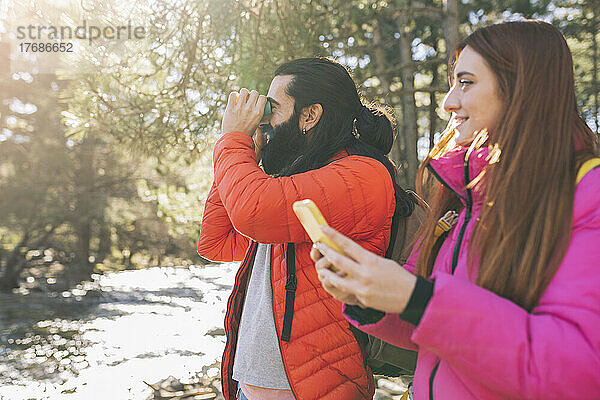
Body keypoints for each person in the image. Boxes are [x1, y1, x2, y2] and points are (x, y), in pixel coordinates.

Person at [311, 20, 600, 400]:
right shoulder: (465, 195)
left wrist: (419, 298)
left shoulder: (587, 194)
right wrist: (365, 293)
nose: (449, 102)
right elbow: (429, 327)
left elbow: (578, 368)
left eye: (466, 82)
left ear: (521, 87)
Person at [197, 58, 414, 400]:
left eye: (274, 107)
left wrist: (232, 139)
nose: (265, 120)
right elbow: (217, 242)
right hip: (249, 389)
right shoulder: (291, 180)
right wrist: (244, 153)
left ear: (310, 115)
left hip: (315, 390)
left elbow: (251, 211)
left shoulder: (361, 175)